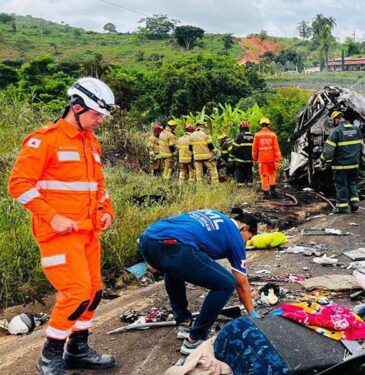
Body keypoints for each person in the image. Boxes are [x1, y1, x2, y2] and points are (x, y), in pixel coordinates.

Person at [8, 77, 117, 374]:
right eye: (96, 115)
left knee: (94, 291)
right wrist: (52, 215)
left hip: (88, 232)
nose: (100, 121)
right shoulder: (45, 139)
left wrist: (107, 209)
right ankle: (50, 354)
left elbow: (97, 185)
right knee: (76, 292)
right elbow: (18, 184)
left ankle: (78, 349)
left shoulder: (91, 143)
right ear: (77, 108)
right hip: (58, 234)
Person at [137, 208, 259, 355]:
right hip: (175, 246)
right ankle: (195, 339)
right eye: (249, 238)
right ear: (245, 228)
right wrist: (252, 313)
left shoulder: (214, 214)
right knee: (227, 284)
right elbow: (241, 282)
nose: (246, 242)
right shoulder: (236, 237)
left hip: (147, 239)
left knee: (174, 268)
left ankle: (184, 322)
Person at [320, 111, 363, 214]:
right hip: (354, 164)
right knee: (352, 183)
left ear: (336, 119)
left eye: (333, 121)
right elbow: (362, 147)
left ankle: (342, 207)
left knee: (341, 184)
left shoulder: (336, 131)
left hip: (341, 165)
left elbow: (328, 151)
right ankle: (354, 203)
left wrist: (322, 160)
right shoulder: (356, 129)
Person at [252, 117, 282, 197]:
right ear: (268, 125)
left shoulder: (257, 135)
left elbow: (254, 149)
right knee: (272, 174)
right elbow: (276, 148)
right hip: (272, 159)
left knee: (264, 175)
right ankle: (273, 191)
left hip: (262, 160)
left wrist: (254, 159)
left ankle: (266, 193)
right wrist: (279, 159)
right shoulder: (273, 134)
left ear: (261, 125)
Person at [230, 121, 254, 187]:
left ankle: (241, 186)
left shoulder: (239, 136)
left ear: (240, 127)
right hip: (250, 159)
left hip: (240, 160)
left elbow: (235, 148)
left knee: (240, 173)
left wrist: (231, 157)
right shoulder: (252, 135)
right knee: (249, 172)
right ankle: (250, 185)